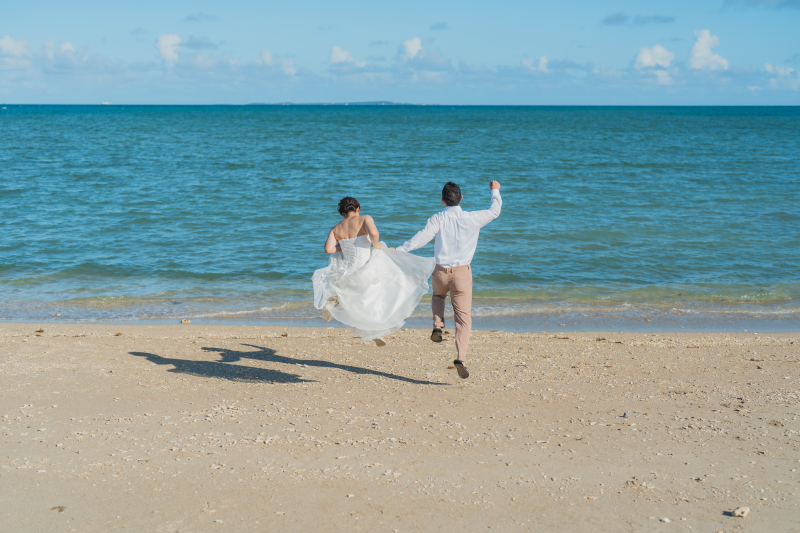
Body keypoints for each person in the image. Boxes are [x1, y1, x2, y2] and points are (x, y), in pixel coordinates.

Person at [395, 181, 502, 378]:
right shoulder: (473, 218)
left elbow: (422, 237)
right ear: (461, 198)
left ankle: (437, 325)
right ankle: (461, 358)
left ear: (443, 201)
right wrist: (495, 189)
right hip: (462, 273)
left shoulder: (438, 218)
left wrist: (402, 249)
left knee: (437, 296)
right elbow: (495, 211)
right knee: (463, 319)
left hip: (440, 271)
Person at [312, 197, 436, 345]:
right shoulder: (365, 218)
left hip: (347, 270)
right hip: (364, 267)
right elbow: (374, 233)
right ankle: (376, 329)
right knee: (382, 288)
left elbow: (328, 249)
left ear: (342, 213)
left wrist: (342, 246)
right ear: (358, 208)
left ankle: (336, 303)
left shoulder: (336, 228)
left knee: (360, 300)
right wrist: (376, 244)